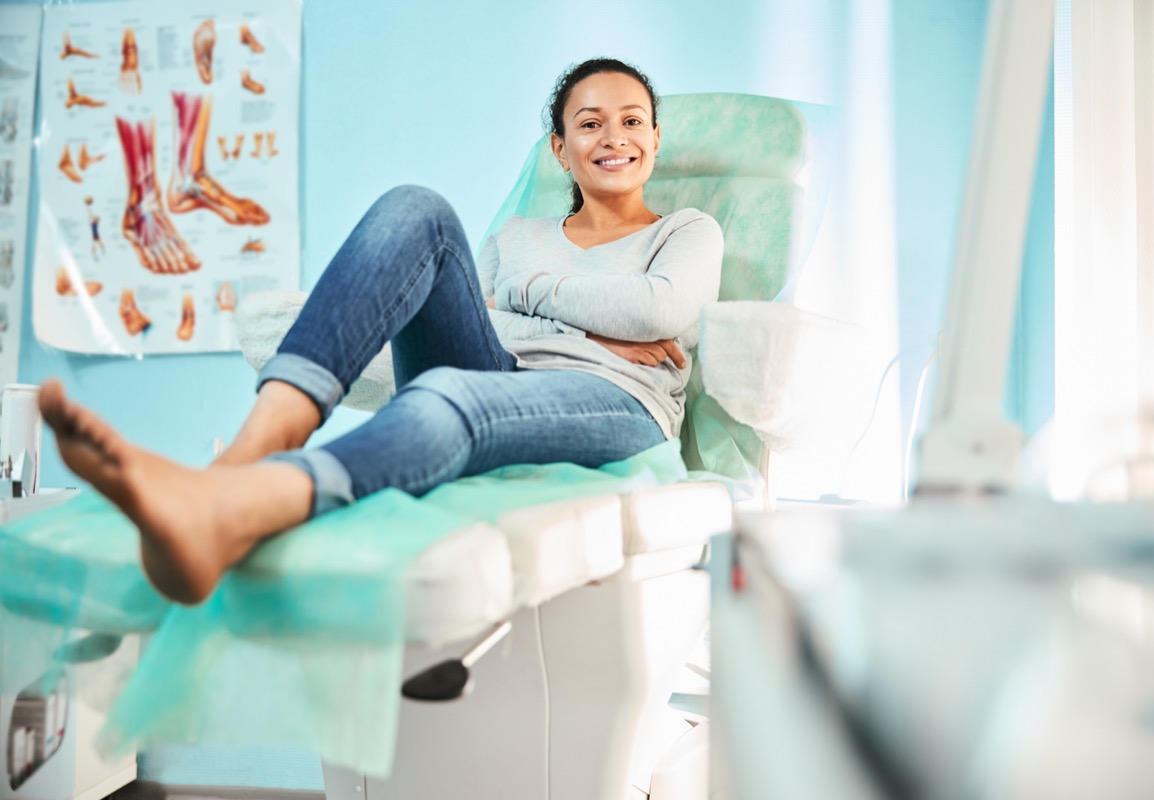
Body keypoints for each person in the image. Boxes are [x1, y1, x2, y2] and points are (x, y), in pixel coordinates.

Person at [39, 58, 724, 606]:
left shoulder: (686, 231)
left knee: (442, 399)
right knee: (415, 208)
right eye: (590, 123)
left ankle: (233, 511)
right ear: (560, 147)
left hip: (615, 398)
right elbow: (492, 315)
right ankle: (250, 452)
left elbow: (659, 312)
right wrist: (581, 317)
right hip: (508, 371)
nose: (614, 139)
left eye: (632, 121)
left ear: (656, 139)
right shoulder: (517, 236)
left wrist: (529, 302)